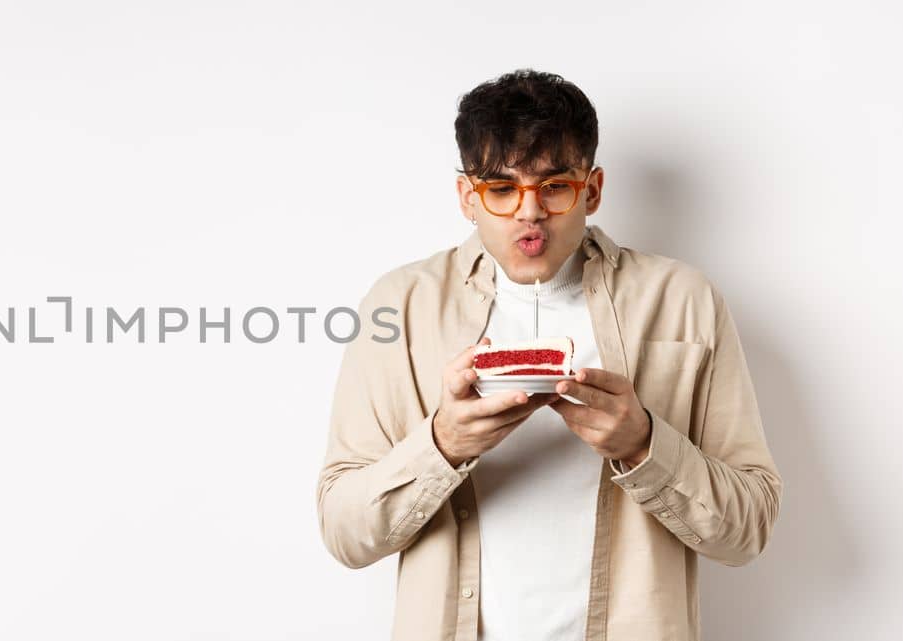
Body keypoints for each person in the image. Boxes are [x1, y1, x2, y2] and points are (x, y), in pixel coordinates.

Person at [315, 69, 782, 641]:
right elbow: (344, 532)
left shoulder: (683, 301)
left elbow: (748, 530)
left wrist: (642, 444)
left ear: (592, 189)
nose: (529, 212)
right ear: (468, 196)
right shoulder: (401, 306)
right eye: (502, 189)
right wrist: (444, 444)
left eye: (554, 186)